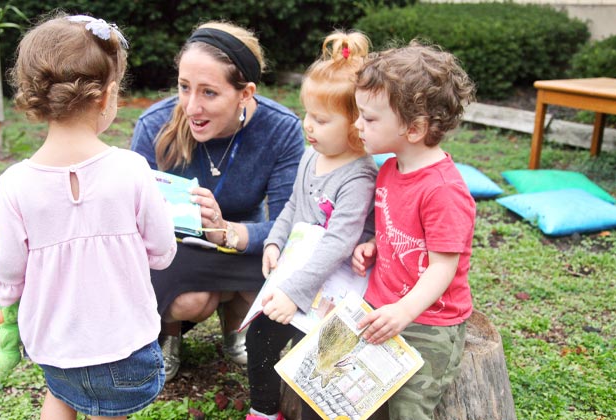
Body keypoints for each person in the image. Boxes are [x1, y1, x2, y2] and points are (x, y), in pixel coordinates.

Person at [0, 13, 177, 420]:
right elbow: (162, 251)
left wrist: (6, 301)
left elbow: (7, 268)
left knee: (60, 396)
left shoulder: (16, 182)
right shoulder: (131, 169)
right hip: (125, 344)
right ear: (107, 95)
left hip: (55, 347)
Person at [130, 21, 306, 382]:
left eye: (209, 93)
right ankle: (167, 335)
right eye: (184, 88)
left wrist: (226, 232)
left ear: (245, 93)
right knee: (194, 301)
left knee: (276, 274)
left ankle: (239, 325)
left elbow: (292, 222)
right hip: (176, 250)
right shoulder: (154, 125)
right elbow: (129, 220)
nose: (192, 107)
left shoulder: (280, 128)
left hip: (243, 243)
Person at [244, 30, 376, 420]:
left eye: (321, 119)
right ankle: (264, 411)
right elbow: (292, 206)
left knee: (316, 356)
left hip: (335, 286)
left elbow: (339, 242)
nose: (308, 126)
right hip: (300, 273)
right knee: (261, 336)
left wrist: (295, 293)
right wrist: (274, 241)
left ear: (356, 124)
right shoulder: (309, 155)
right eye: (307, 114)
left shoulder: (358, 177)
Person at [351, 42, 477, 420]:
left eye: (370, 119)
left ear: (415, 128)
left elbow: (443, 267)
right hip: (383, 304)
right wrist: (374, 244)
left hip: (429, 321)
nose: (358, 125)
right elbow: (399, 228)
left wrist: (404, 312)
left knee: (409, 407)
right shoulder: (390, 168)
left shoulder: (443, 191)